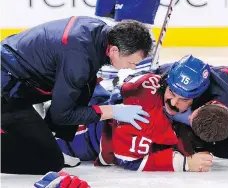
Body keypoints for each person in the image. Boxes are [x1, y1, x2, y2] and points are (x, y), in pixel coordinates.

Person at [1, 16, 153, 174]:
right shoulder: (79, 60)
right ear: (114, 50)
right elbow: (62, 115)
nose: (132, 68)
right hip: (6, 91)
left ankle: (56, 140)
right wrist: (113, 111)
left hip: (15, 78)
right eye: (131, 63)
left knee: (86, 84)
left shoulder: (99, 32)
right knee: (49, 161)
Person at [57, 55, 215, 172]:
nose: (173, 103)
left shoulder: (152, 79)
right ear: (167, 83)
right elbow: (128, 160)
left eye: (183, 99)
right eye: (172, 93)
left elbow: (126, 86)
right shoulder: (144, 116)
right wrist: (185, 163)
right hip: (80, 138)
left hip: (97, 106)